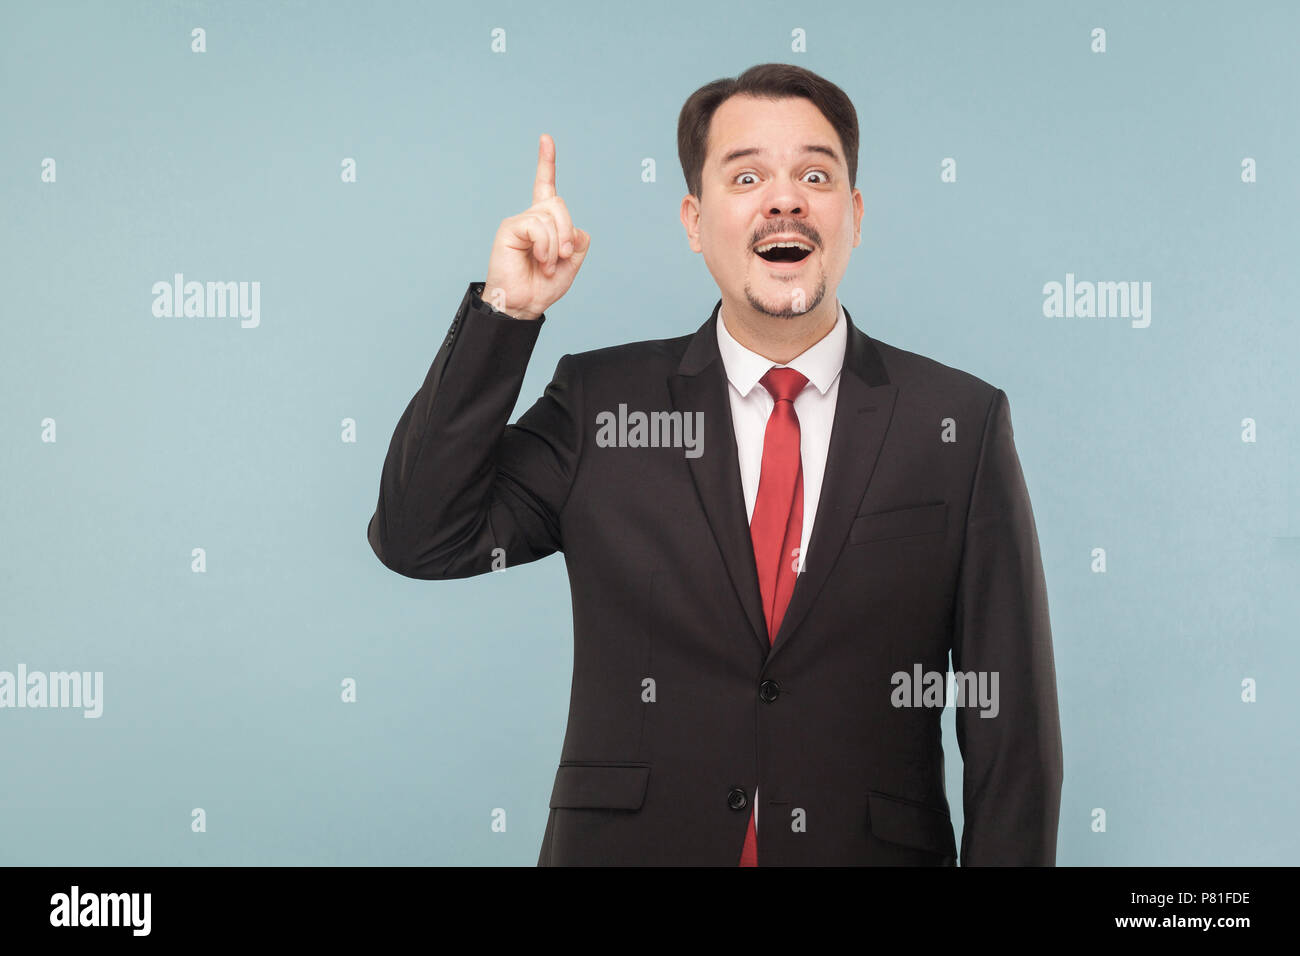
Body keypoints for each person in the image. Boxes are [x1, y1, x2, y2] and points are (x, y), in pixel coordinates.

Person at [367, 62, 1063, 866]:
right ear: (695, 221)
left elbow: (1010, 729)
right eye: (747, 175)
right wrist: (507, 310)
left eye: (814, 174)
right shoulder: (601, 403)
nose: (785, 198)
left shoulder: (959, 421)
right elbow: (421, 537)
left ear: (855, 214)